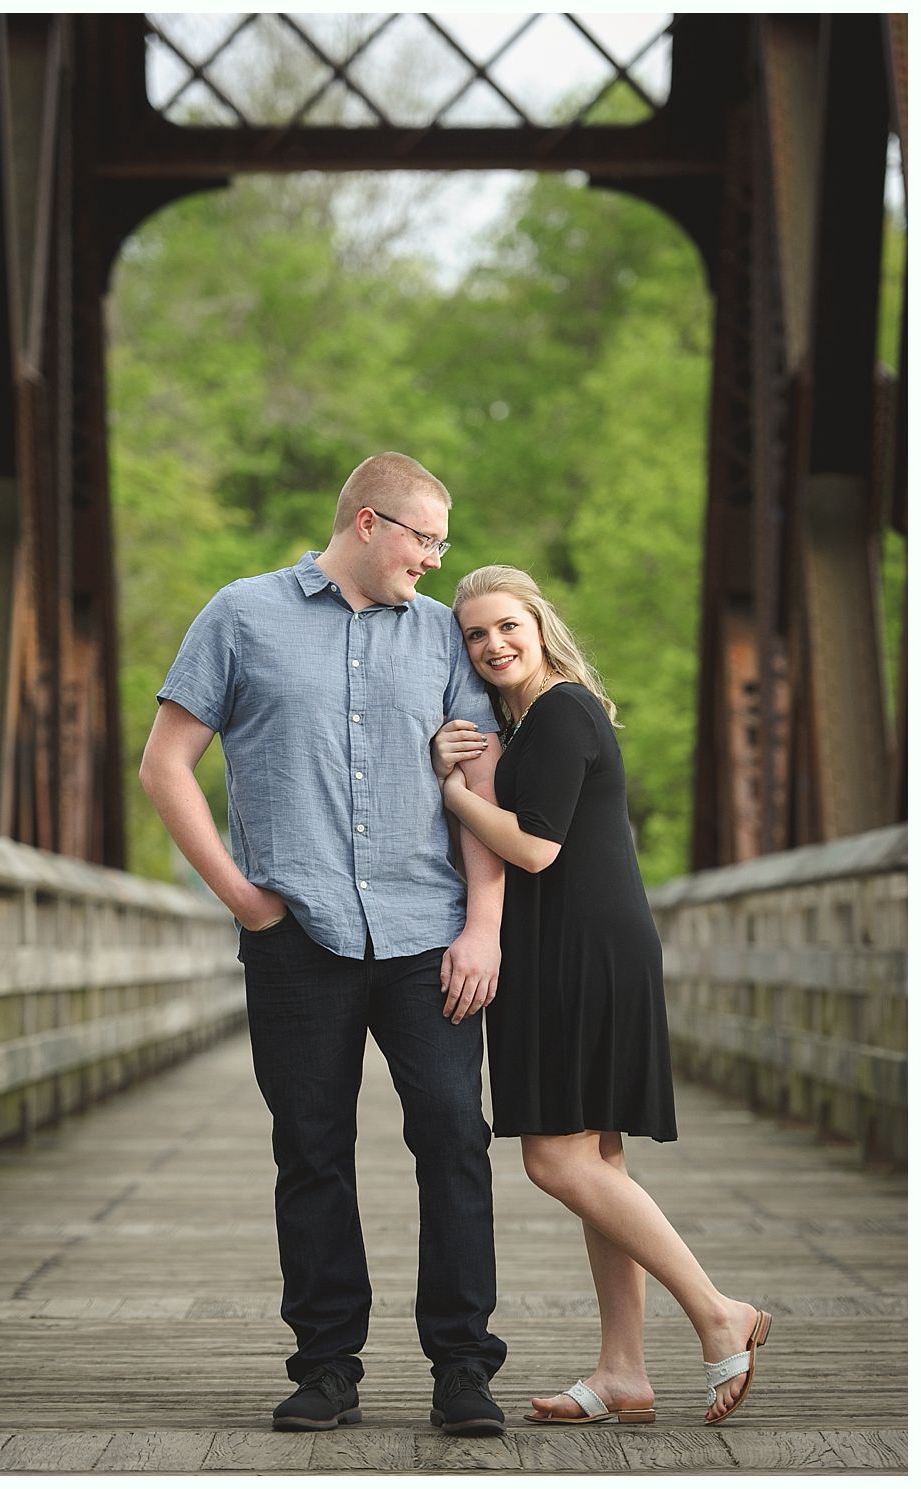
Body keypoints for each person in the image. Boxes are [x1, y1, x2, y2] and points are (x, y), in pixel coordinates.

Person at [139, 454, 509, 1436]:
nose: (436, 559)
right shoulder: (242, 614)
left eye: (440, 541)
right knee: (309, 1148)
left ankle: (463, 1366)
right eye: (425, 537)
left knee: (453, 1135)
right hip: (296, 934)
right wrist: (243, 899)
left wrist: (483, 925)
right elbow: (165, 764)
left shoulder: (442, 640)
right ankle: (326, 1365)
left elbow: (480, 796)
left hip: (427, 934)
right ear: (367, 522)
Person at [431, 564, 771, 1428]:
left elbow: (536, 849)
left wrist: (450, 793)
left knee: (557, 1159)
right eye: (475, 634)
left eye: (508, 625)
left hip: (576, 953)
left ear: (539, 624)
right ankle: (623, 1369)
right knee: (599, 1163)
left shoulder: (560, 709)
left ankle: (714, 1309)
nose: (494, 644)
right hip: (580, 946)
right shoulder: (541, 718)